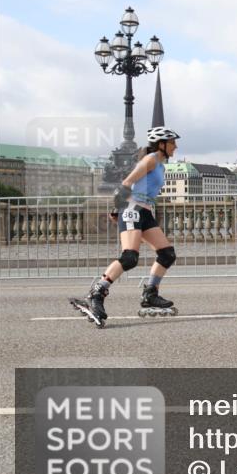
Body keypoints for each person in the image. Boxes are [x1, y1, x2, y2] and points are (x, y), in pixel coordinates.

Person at [71, 127, 181, 327]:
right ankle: (96, 294)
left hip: (146, 211)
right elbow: (126, 183)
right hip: (132, 208)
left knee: (167, 254)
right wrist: (118, 209)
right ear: (162, 144)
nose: (176, 146)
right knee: (130, 257)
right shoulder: (150, 160)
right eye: (173, 142)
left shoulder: (161, 166)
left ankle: (150, 294)